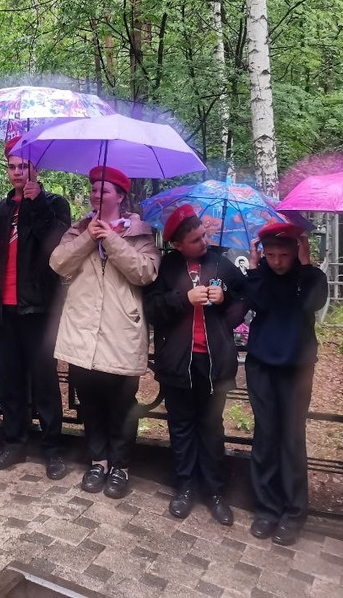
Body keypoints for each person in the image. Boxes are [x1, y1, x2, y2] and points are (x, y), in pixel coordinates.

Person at [50, 166, 159, 500]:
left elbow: (145, 272)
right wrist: (88, 236)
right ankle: (98, 461)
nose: (96, 194)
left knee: (122, 404)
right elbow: (58, 263)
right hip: (82, 330)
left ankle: (121, 466)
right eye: (93, 189)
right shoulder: (77, 229)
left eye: (104, 190)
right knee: (90, 402)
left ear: (121, 196)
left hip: (121, 330)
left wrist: (110, 238)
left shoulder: (140, 233)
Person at [143, 204, 247, 526]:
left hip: (214, 364)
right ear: (178, 244)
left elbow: (243, 299)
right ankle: (185, 486)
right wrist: (183, 299)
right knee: (181, 427)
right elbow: (152, 309)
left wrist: (225, 302)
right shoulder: (167, 268)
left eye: (203, 236)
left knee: (212, 428)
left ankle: (215, 491)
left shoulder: (221, 264)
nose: (204, 242)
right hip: (178, 363)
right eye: (195, 240)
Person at [0, 138, 71, 480]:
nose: (18, 172)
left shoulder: (55, 204)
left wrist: (38, 205)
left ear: (36, 168)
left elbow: (57, 246)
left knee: (44, 380)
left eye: (24, 166)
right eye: (12, 166)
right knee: (10, 380)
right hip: (4, 308)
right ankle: (13, 443)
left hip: (39, 308)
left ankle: (52, 449)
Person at [243, 222, 328, 546]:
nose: (277, 261)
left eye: (284, 255)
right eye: (271, 254)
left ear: (296, 251)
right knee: (265, 436)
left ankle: (294, 512)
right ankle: (267, 508)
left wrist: (305, 266)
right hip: (262, 364)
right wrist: (254, 268)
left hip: (297, 366)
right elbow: (258, 303)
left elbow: (312, 303)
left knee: (292, 438)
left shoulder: (310, 277)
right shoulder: (260, 275)